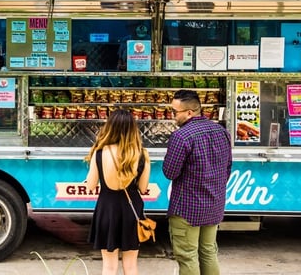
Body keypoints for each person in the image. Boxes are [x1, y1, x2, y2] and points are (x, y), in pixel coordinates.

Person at [162, 89, 232, 275]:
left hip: (187, 207)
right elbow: (227, 168)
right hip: (214, 205)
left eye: (175, 112)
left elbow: (170, 172)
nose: (172, 116)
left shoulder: (181, 136)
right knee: (209, 252)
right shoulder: (221, 131)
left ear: (189, 112)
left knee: (187, 255)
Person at [85, 109, 151, 275]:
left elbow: (91, 186)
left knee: (109, 266)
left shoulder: (99, 152)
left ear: (110, 127)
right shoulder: (142, 153)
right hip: (132, 210)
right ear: (132, 129)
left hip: (107, 209)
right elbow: (143, 188)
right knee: (131, 266)